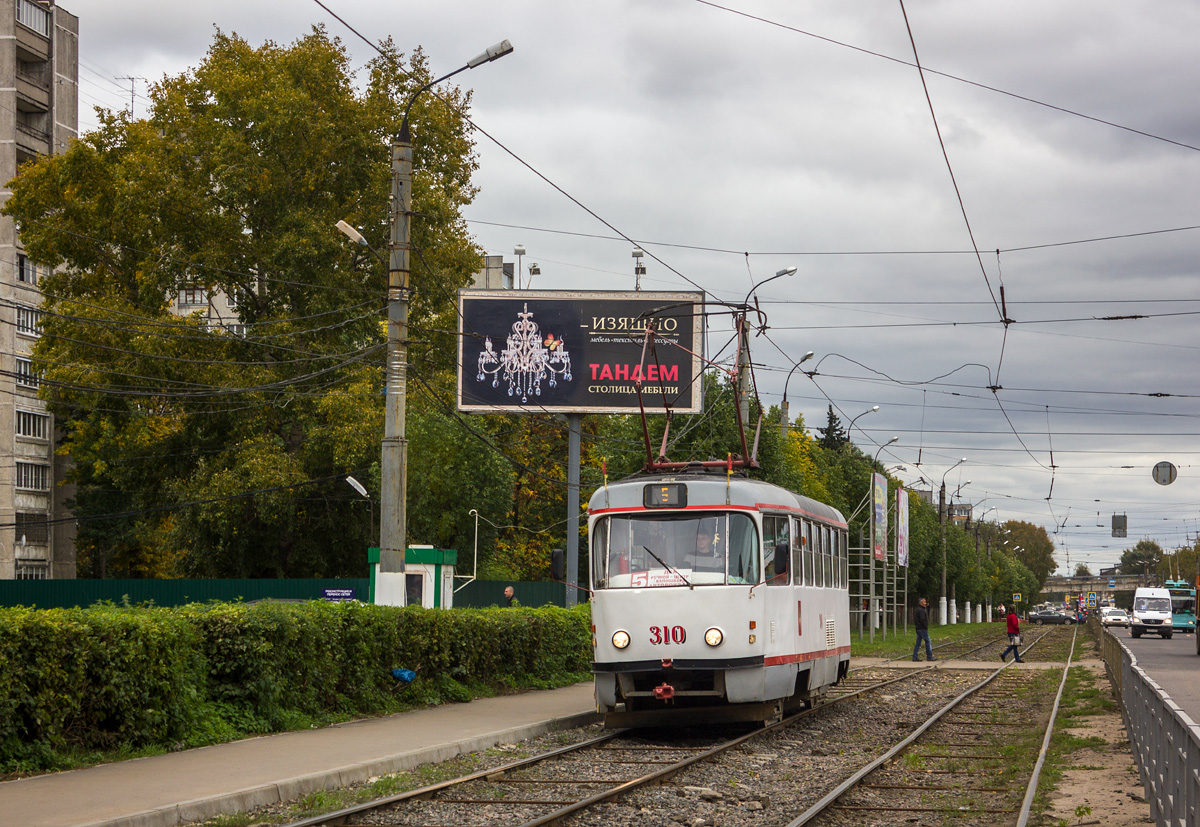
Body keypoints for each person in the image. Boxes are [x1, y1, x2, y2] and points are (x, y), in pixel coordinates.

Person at [912, 597, 935, 661]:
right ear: (921, 603)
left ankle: (915, 656)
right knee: (928, 641)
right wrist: (925, 626)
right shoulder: (921, 611)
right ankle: (929, 656)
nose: (925, 603)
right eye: (924, 602)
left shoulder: (917, 609)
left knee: (918, 643)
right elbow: (922, 620)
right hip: (922, 628)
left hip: (918, 628)